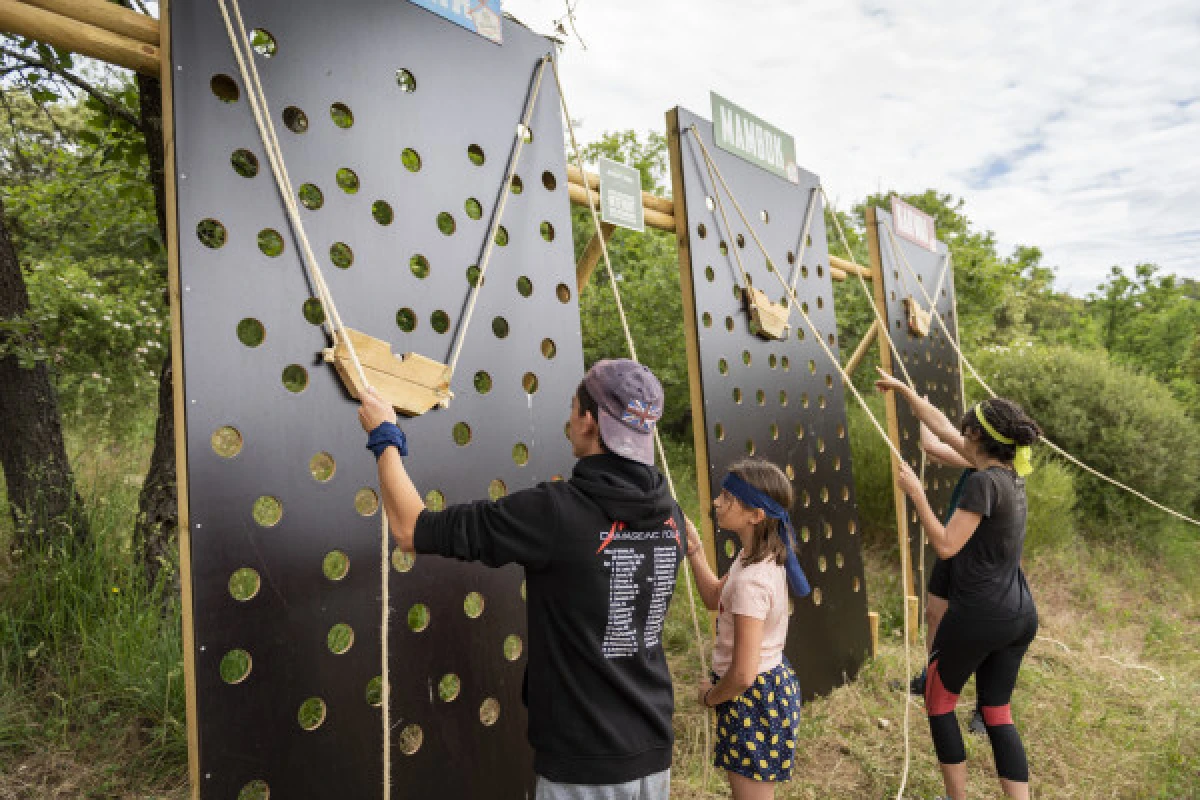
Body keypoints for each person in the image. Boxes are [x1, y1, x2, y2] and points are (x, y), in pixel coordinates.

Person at [358, 359, 688, 800]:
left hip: (583, 768)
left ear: (589, 421)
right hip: (652, 751)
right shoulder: (673, 518)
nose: (568, 419)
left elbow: (409, 528)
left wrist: (385, 436)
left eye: (573, 409)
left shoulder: (554, 514)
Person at [877, 371, 1040, 800]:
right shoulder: (1010, 475)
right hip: (1020, 613)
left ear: (974, 437)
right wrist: (906, 391)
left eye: (963, 431)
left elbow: (947, 546)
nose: (956, 434)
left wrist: (916, 492)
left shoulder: (982, 482)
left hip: (981, 614)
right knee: (997, 710)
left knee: (938, 701)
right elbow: (943, 426)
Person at [683, 458, 810, 800]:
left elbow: (742, 674)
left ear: (755, 515)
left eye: (727, 497)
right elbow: (714, 596)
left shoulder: (753, 581)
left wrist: (711, 697)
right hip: (763, 689)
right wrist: (694, 550)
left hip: (752, 699)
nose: (716, 502)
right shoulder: (754, 557)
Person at [909, 421, 987, 736]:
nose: (967, 436)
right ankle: (931, 678)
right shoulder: (974, 456)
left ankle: (986, 706)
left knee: (981, 632)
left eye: (973, 432)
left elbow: (934, 447)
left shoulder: (987, 460)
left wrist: (919, 404)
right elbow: (936, 451)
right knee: (934, 614)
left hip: (979, 555)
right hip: (952, 547)